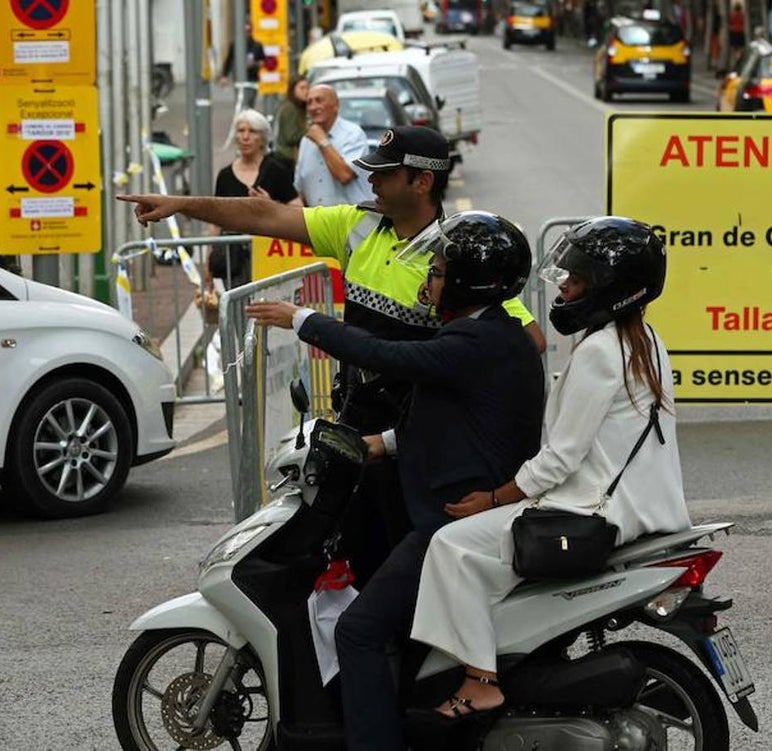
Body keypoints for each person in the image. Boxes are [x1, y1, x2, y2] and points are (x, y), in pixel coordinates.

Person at [120, 126, 546, 584]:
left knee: (413, 578)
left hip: (418, 447)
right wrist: (183, 205)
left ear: (422, 182)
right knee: (357, 558)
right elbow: (264, 215)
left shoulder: (456, 258)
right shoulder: (357, 226)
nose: (372, 182)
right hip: (358, 431)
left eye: (384, 174)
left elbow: (527, 341)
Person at [244, 211, 547, 751]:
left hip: (448, 522)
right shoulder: (484, 334)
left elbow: (388, 355)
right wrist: (375, 445)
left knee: (357, 632)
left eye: (437, 269)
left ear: (465, 281)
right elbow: (458, 422)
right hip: (451, 510)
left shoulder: (475, 341)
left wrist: (302, 320)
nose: (428, 277)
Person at [409, 216, 693, 720]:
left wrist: (494, 498)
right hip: (645, 506)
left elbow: (562, 457)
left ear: (610, 289)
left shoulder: (601, 353)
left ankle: (480, 680)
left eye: (575, 280)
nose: (563, 288)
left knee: (450, 545)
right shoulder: (646, 341)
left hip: (596, 509)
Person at [205, 109, 296, 290]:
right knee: (239, 310)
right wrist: (208, 264)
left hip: (270, 256)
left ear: (262, 137)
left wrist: (272, 206)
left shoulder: (276, 170)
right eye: (241, 131)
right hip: (233, 260)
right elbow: (215, 222)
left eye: (252, 131)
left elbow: (298, 208)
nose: (245, 137)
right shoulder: (225, 175)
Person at [293, 84, 373, 207]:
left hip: (352, 221)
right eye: (309, 103)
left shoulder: (353, 134)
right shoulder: (306, 141)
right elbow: (300, 188)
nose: (313, 107)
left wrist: (322, 141)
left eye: (319, 101)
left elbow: (344, 175)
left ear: (335, 105)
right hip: (317, 222)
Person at [219, 22, 265, 108]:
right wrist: (224, 75)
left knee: (250, 100)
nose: (246, 33)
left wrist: (255, 64)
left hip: (252, 77)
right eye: (244, 31)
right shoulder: (235, 45)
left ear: (251, 31)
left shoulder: (257, 45)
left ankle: (248, 116)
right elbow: (229, 59)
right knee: (240, 100)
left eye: (248, 31)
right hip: (239, 77)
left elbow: (263, 61)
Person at [273, 75, 310, 169]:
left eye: (308, 88)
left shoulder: (301, 108)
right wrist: (311, 131)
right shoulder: (289, 109)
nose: (306, 91)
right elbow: (291, 136)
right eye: (302, 88)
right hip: (288, 159)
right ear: (293, 90)